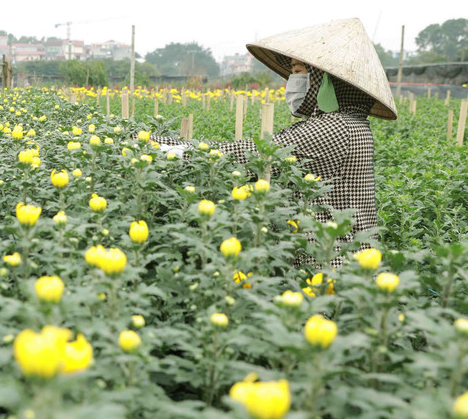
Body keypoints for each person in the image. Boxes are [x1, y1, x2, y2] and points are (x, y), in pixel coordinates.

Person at [155, 18, 398, 265]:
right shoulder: (350, 123)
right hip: (345, 262)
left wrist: (163, 149)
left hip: (330, 271)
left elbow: (249, 155)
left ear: (323, 79)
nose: (292, 80)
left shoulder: (335, 128)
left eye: (297, 70)